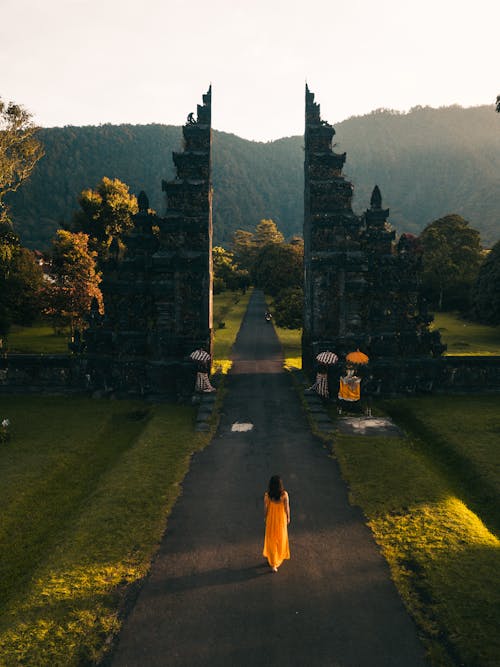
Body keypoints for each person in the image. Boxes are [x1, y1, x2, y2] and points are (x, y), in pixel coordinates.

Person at [263, 475, 290, 572]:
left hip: (271, 520)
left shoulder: (268, 495)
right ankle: (275, 559)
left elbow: (266, 508)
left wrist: (265, 517)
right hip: (281, 520)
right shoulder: (284, 495)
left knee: (271, 539)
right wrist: (288, 517)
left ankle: (272, 561)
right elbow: (287, 508)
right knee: (280, 538)